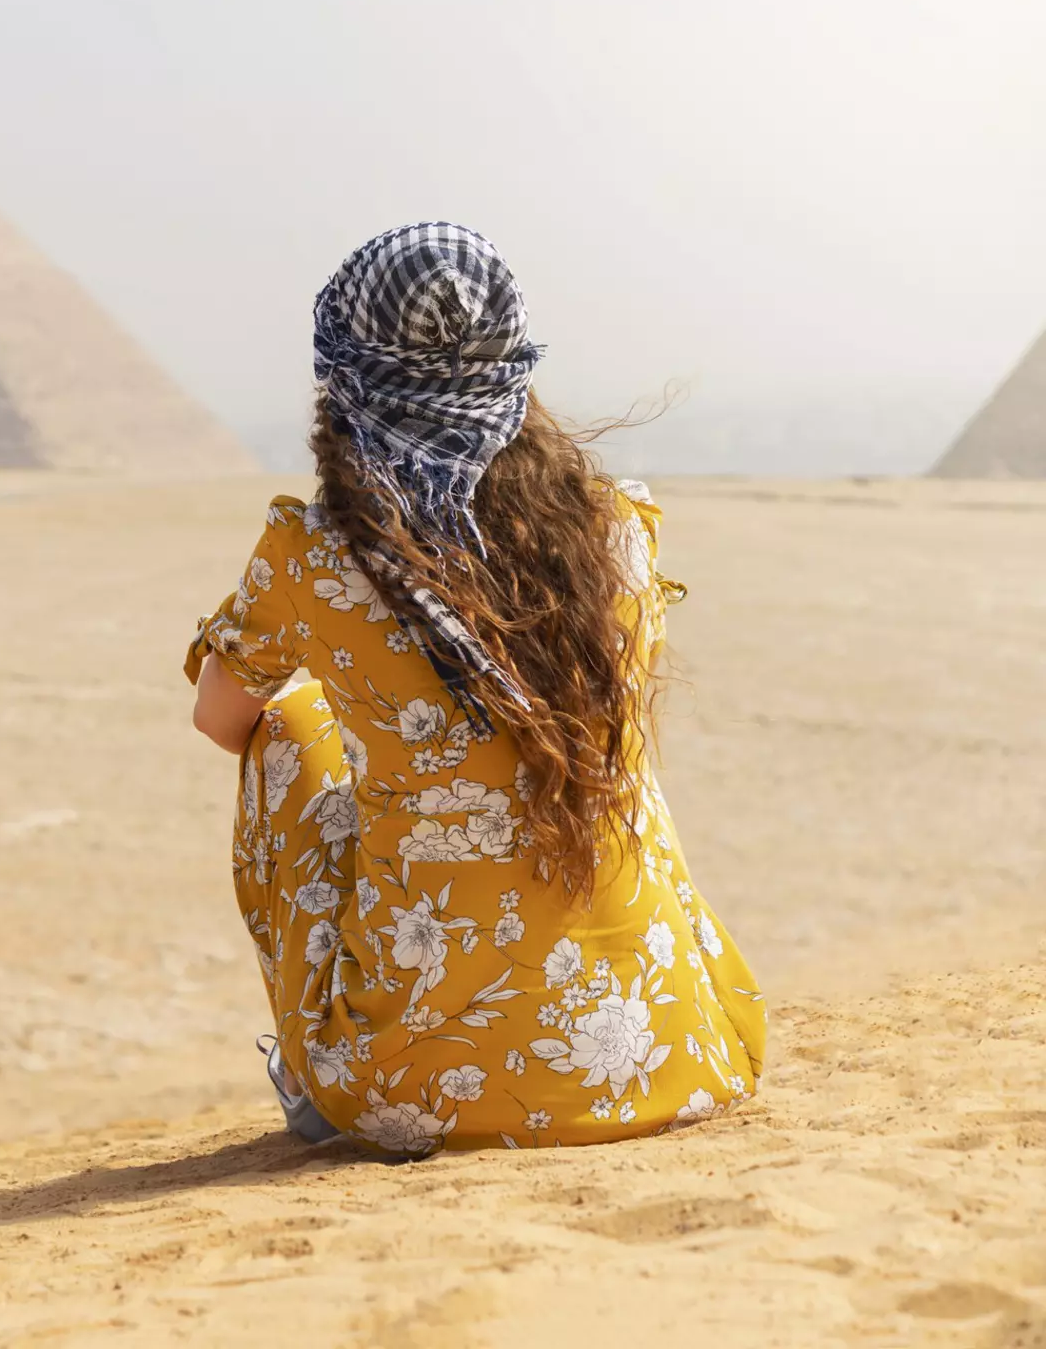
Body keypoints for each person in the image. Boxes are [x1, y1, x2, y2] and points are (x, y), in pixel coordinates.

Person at [185, 223, 763, 1157]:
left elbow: (219, 718)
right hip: (673, 1060)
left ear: (348, 375)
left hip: (411, 1093)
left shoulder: (313, 557)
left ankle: (316, 1060)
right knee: (576, 733)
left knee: (288, 724)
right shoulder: (616, 531)